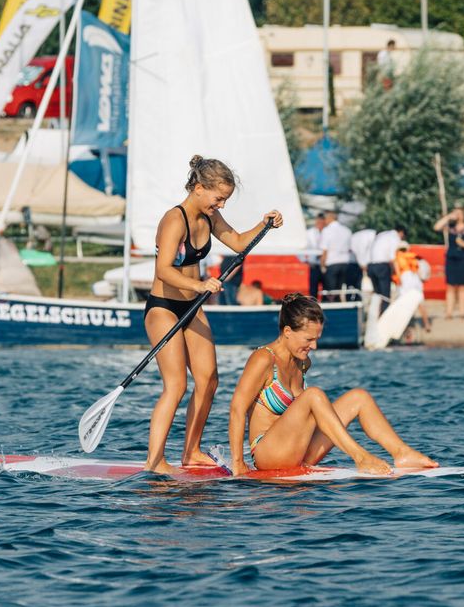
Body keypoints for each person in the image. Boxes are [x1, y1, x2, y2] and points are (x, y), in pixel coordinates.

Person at [145, 155, 284, 474]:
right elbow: (164, 270)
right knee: (176, 384)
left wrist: (265, 225)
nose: (220, 205)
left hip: (192, 307)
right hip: (163, 308)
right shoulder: (174, 220)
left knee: (208, 379)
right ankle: (154, 461)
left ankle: (191, 452)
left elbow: (237, 242)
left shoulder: (208, 218)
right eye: (218, 197)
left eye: (225, 199)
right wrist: (199, 283)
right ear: (198, 188)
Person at [226, 294, 437, 476]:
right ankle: (360, 457)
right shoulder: (263, 358)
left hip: (300, 450)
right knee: (313, 395)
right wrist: (237, 464)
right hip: (268, 454)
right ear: (288, 331)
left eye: (316, 339)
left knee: (358, 397)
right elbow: (237, 408)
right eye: (308, 339)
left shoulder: (302, 362)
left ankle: (402, 453)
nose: (314, 346)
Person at [434, 208, 464, 319]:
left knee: (462, 286)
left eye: (459, 213)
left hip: (462, 258)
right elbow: (436, 227)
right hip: (451, 258)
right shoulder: (450, 227)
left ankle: (462, 312)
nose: (457, 215)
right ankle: (449, 312)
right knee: (450, 286)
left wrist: (463, 244)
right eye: (455, 213)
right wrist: (447, 217)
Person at [394, 241, 431, 331]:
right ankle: (427, 324)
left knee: (404, 304)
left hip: (405, 280)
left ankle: (406, 327)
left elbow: (397, 272)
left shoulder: (397, 258)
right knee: (420, 303)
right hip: (415, 280)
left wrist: (398, 282)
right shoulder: (414, 257)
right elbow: (420, 272)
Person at [319, 211, 354, 302]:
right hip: (345, 263)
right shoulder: (347, 230)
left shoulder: (327, 231)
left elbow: (325, 251)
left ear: (330, 218)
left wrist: (322, 266)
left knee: (331, 291)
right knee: (339, 289)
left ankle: (332, 309)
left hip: (332, 263)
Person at [366, 224, 403, 301]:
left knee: (377, 294)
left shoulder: (382, 234)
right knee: (385, 295)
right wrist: (396, 273)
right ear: (401, 233)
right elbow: (392, 257)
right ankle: (384, 312)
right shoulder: (395, 237)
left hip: (371, 266)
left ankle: (374, 312)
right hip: (382, 266)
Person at [304, 212, 327, 299]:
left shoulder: (328, 232)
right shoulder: (309, 233)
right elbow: (302, 247)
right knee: (313, 290)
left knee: (326, 289)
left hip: (326, 265)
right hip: (314, 265)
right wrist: (306, 260)